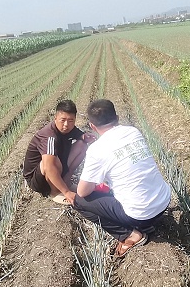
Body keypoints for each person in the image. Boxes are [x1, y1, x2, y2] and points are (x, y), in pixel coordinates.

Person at [73, 99, 172, 258]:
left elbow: (83, 191)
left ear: (92, 126)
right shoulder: (133, 131)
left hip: (141, 216)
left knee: (79, 201)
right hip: (164, 202)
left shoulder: (97, 149)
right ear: (117, 118)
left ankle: (129, 234)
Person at [23, 100, 95, 204]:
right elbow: (48, 167)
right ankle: (55, 192)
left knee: (81, 144)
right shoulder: (49, 136)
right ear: (55, 118)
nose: (66, 125)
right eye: (63, 120)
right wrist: (66, 192)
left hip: (57, 167)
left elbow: (77, 133)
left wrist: (84, 136)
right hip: (38, 180)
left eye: (71, 121)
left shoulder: (69, 128)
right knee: (51, 159)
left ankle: (66, 181)